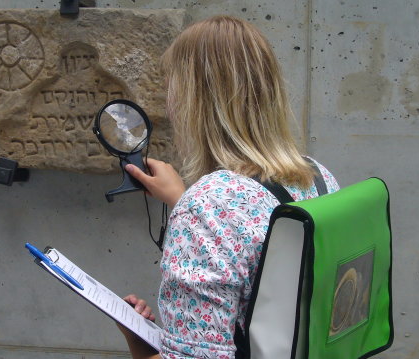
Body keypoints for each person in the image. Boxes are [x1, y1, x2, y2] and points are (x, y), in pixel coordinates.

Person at [117, 15, 340, 359]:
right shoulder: (318, 176)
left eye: (172, 86)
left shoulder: (207, 209)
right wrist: (183, 198)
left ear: (194, 101)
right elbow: (263, 264)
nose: (169, 101)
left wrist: (141, 343)